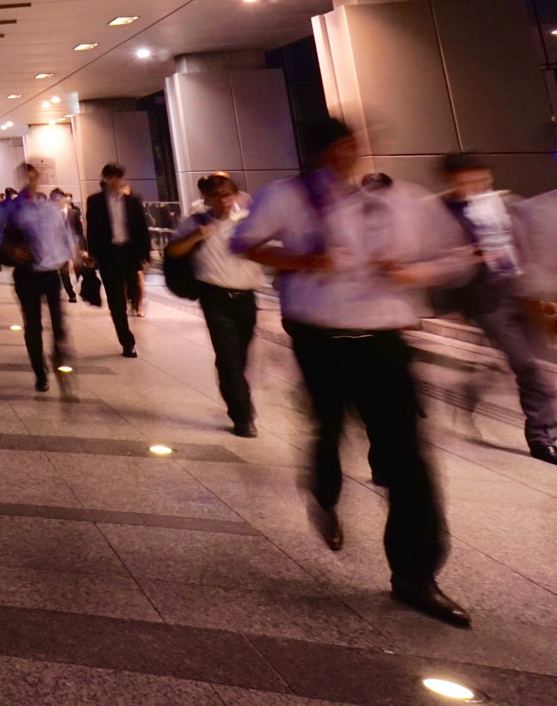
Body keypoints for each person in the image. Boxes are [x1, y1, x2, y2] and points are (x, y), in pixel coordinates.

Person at [232, 118, 475, 627]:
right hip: (319, 340)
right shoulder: (288, 197)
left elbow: (460, 256)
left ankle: (415, 575)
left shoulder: (400, 199)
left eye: (355, 145)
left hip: (386, 342)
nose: (350, 154)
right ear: (321, 152)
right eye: (339, 147)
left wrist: (414, 273)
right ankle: (323, 491)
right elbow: (245, 243)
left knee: (408, 457)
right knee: (328, 428)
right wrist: (302, 261)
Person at [436, 152, 557, 464]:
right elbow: (434, 262)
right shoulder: (442, 213)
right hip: (484, 300)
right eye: (468, 181)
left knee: (530, 363)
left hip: (522, 293)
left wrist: (543, 290)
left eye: (483, 180)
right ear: (452, 181)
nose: (477, 186)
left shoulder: (507, 204)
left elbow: (530, 245)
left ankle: (471, 390)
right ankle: (543, 437)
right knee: (526, 364)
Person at [166, 173, 264, 437]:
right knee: (229, 356)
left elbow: (267, 251)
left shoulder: (248, 222)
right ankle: (242, 416)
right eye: (216, 196)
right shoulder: (196, 222)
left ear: (235, 195)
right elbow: (173, 251)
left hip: (246, 296)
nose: (223, 200)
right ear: (207, 198)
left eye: (227, 194)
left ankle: (237, 395)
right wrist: (196, 236)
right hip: (215, 296)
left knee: (238, 357)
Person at [0, 163, 80, 393]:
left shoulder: (49, 209)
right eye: (27, 178)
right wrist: (11, 251)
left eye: (34, 178)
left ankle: (59, 356)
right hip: (26, 275)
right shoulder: (13, 210)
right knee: (33, 326)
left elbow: (64, 234)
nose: (31, 182)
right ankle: (40, 374)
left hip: (50, 275)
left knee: (59, 325)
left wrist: (77, 256)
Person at [85, 164, 152, 357]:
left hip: (130, 255)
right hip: (108, 256)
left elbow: (142, 229)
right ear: (105, 179)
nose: (116, 181)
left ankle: (134, 307)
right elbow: (92, 231)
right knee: (116, 301)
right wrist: (93, 255)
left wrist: (144, 255)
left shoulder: (133, 202)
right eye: (112, 177)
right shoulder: (95, 201)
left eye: (119, 177)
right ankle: (127, 341)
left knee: (133, 292)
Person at [50, 189, 82, 302]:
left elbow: (79, 231)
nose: (58, 202)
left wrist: (83, 248)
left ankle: (81, 287)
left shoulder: (74, 213)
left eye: (60, 199)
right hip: (60, 247)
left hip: (74, 245)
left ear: (64, 199)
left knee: (79, 268)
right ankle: (71, 293)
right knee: (64, 272)